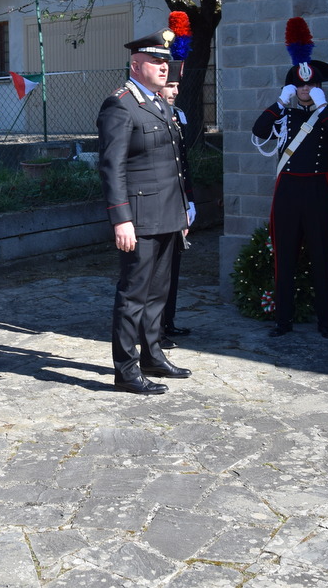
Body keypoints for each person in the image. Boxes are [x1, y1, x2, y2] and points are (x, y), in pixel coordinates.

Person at [97, 29, 192, 395]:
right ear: (136, 65)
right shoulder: (120, 105)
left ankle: (153, 355)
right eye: (156, 61)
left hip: (168, 214)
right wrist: (121, 219)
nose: (164, 67)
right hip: (139, 217)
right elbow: (112, 167)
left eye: (165, 61)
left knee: (158, 293)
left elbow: (174, 165)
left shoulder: (160, 103)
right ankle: (126, 370)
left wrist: (183, 213)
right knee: (133, 295)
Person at [252, 17, 328, 339]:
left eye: (311, 85)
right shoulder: (286, 115)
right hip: (289, 189)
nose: (306, 90)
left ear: (319, 88)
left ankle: (325, 321)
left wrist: (324, 107)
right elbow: (259, 130)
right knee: (285, 255)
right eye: (300, 85)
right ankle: (283, 321)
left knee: (322, 255)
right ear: (293, 88)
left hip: (318, 188)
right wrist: (281, 101)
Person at [158, 60, 196, 350]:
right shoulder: (150, 115)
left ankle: (167, 322)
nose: (175, 91)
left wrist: (189, 199)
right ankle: (153, 329)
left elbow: (183, 164)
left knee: (173, 266)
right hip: (157, 204)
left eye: (177, 86)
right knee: (156, 272)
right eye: (170, 86)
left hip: (177, 200)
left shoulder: (177, 115)